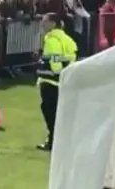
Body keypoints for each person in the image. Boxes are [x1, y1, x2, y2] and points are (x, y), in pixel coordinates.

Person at [36, 12, 77, 151]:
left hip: (50, 82)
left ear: (53, 24)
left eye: (44, 21)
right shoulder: (67, 39)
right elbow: (71, 58)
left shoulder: (51, 39)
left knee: (50, 112)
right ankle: (62, 140)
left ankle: (52, 141)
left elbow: (55, 63)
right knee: (60, 112)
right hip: (64, 82)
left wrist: (50, 69)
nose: (42, 24)